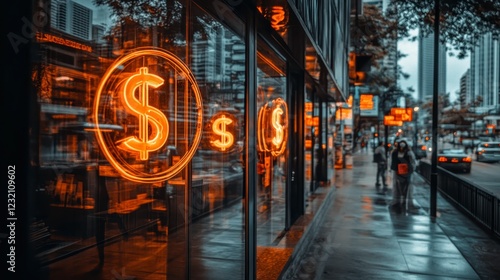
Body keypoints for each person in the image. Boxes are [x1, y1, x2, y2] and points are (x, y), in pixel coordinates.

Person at [389, 139, 417, 212]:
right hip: (399, 172)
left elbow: (412, 162)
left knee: (405, 186)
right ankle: (400, 200)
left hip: (405, 172)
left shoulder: (408, 153)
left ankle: (403, 200)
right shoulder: (396, 152)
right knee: (399, 186)